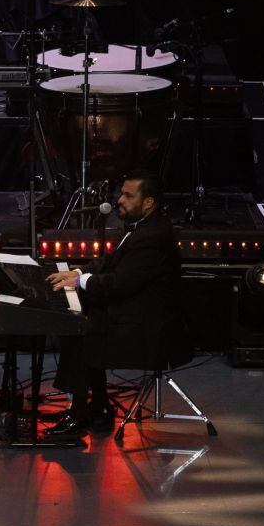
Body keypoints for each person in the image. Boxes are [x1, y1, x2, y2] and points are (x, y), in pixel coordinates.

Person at [45, 174, 185, 438]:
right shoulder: (144, 227)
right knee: (85, 318)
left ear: (148, 202)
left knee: (81, 329)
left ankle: (78, 414)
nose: (119, 200)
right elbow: (109, 264)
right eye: (121, 193)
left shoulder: (152, 236)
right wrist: (77, 272)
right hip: (140, 315)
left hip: (150, 330)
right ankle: (98, 406)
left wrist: (80, 281)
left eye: (128, 195)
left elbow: (118, 284)